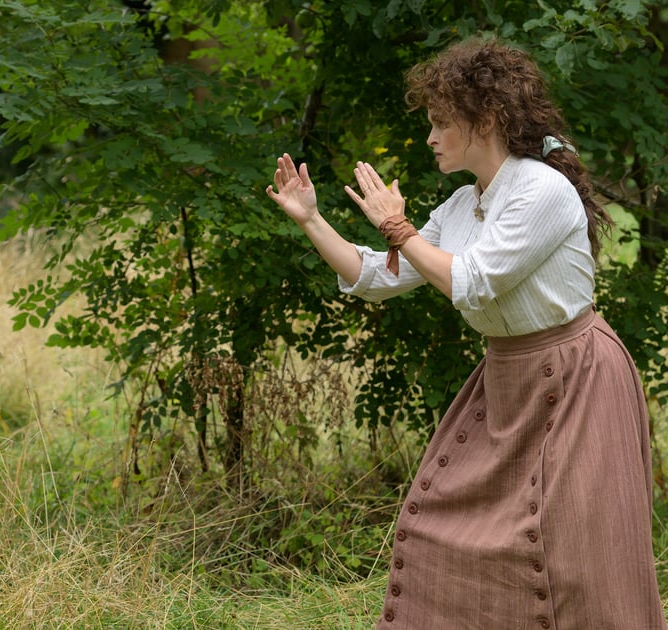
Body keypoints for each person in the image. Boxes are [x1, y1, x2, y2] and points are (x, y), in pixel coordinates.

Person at [266, 38, 666, 628]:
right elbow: (379, 275)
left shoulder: (542, 190)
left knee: (579, 555)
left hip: (578, 375)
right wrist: (313, 220)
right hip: (506, 378)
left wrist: (400, 228)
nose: (430, 137)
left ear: (486, 120)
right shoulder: (463, 203)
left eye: (440, 123)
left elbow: (472, 284)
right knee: (437, 529)